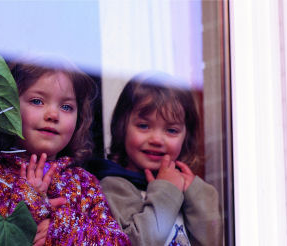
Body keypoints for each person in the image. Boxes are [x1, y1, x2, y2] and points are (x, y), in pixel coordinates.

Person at [0, 56, 130, 246]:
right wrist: (29, 203)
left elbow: (118, 242)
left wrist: (60, 227)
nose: (53, 115)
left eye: (66, 107)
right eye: (37, 101)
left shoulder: (84, 184)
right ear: (9, 107)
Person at [94, 71, 222, 246]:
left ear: (186, 136)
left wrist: (198, 194)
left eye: (171, 130)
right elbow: (136, 242)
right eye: (144, 126)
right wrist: (167, 190)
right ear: (121, 127)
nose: (156, 139)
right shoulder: (114, 187)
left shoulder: (186, 190)